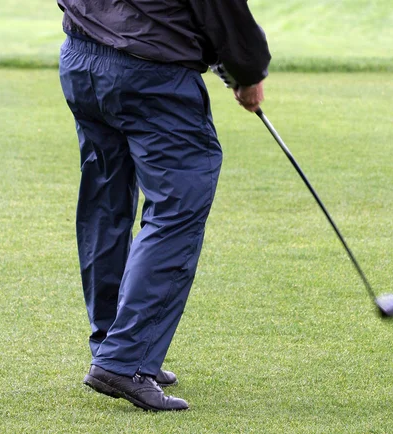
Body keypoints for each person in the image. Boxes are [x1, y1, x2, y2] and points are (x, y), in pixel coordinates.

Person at [57, 0, 271, 411]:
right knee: (177, 208)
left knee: (105, 202)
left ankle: (115, 342)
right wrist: (247, 71)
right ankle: (124, 359)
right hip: (150, 74)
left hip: (82, 58)